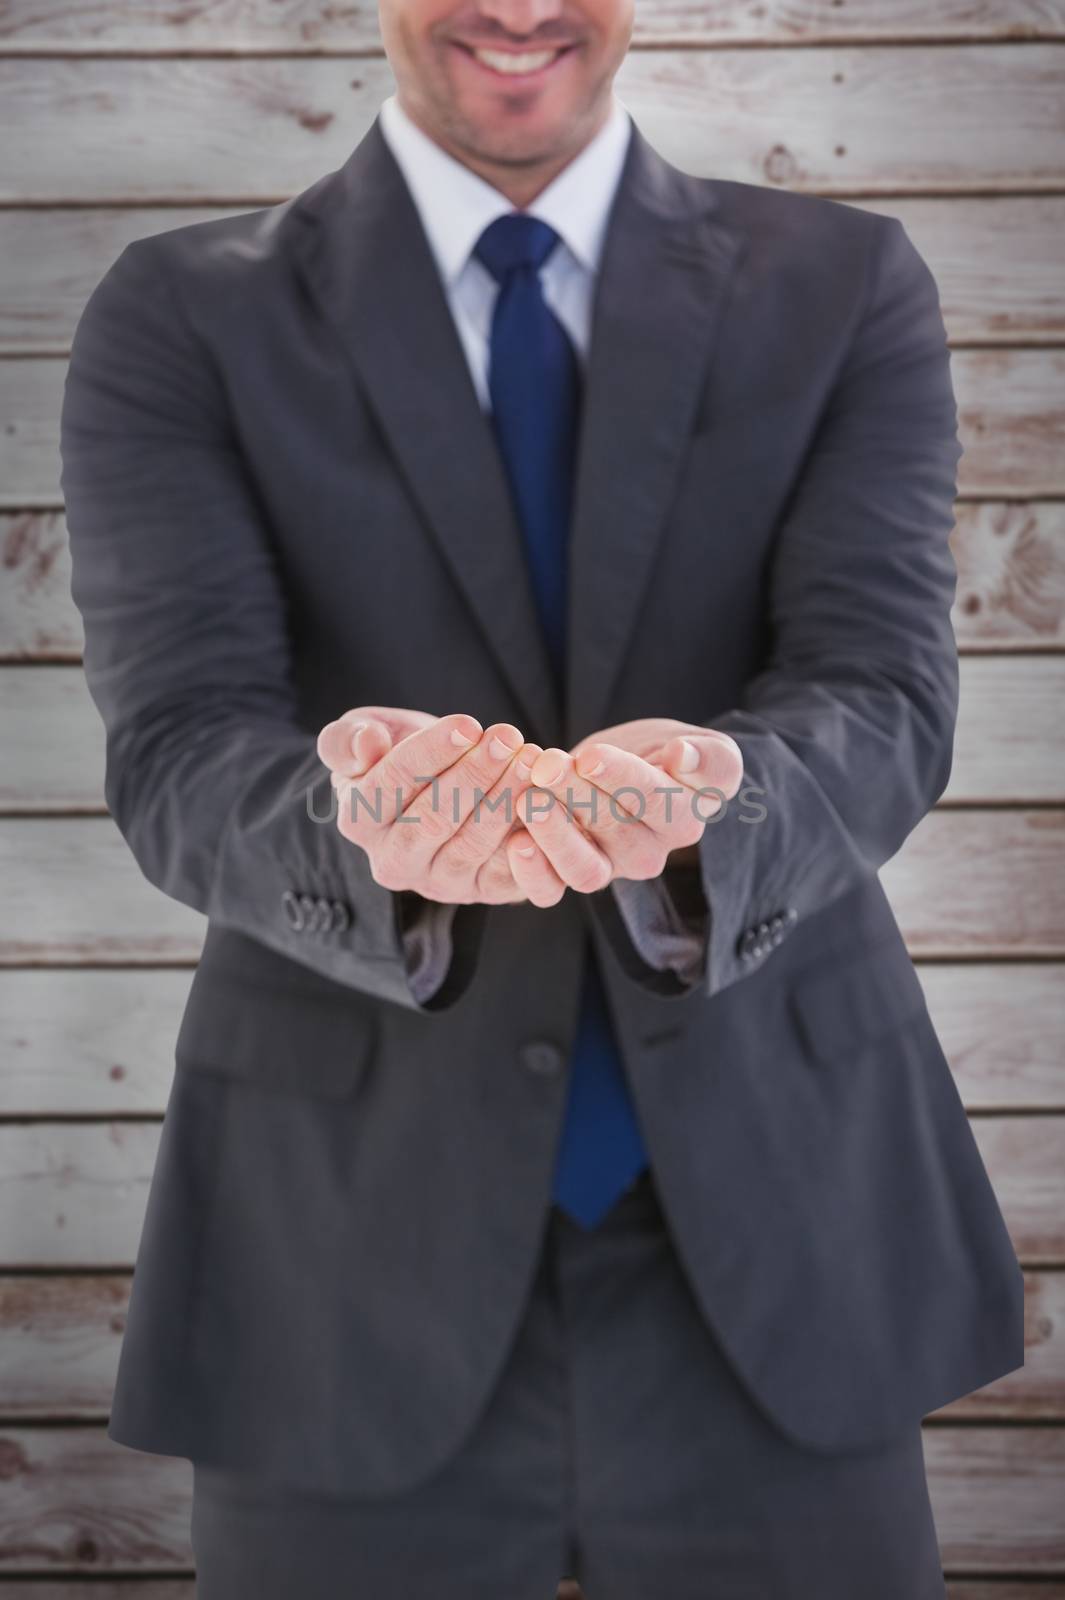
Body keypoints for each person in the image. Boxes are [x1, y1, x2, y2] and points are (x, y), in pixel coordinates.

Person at [59, 0, 1024, 1591]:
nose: (516, 7)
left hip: (778, 1234)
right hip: (339, 1261)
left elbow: (886, 693)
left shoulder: (844, 285)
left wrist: (725, 800)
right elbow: (178, 747)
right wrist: (359, 830)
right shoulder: (180, 315)